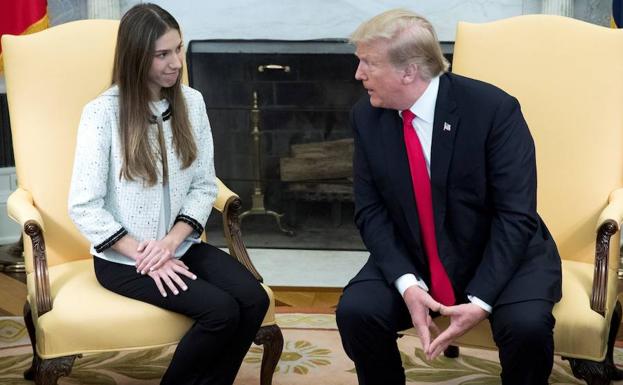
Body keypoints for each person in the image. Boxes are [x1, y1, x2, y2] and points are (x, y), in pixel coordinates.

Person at [336, 8, 562, 385]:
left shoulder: (494, 110)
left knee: (527, 329)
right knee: (357, 312)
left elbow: (515, 214)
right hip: (416, 251)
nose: (358, 74)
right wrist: (407, 284)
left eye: (368, 63)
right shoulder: (367, 117)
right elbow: (370, 210)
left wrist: (481, 301)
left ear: (409, 71)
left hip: (500, 252)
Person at [68, 4, 268, 385]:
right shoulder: (101, 114)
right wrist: (147, 255)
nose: (176, 62)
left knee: (254, 299)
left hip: (179, 245)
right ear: (136, 56)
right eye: (162, 54)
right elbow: (84, 206)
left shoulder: (191, 103)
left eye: (178, 49)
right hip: (123, 260)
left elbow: (203, 184)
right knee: (221, 311)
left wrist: (171, 242)